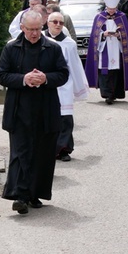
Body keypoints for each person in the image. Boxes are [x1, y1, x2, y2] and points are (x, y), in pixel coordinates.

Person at [0, 10, 69, 215]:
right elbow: (1, 75)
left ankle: (34, 194)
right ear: (22, 28)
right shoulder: (11, 48)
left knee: (42, 153)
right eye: (30, 30)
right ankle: (19, 196)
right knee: (21, 152)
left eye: (37, 29)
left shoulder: (52, 48)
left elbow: (63, 74)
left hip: (45, 109)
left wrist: (45, 78)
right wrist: (23, 79)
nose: (35, 34)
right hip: (19, 109)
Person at [84, 0, 128, 104]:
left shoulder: (122, 17)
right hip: (104, 48)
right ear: (106, 6)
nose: (111, 11)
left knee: (116, 71)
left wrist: (119, 35)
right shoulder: (99, 17)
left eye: (113, 9)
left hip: (117, 48)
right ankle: (107, 94)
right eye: (110, 9)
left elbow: (127, 35)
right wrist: (102, 34)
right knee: (105, 71)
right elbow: (95, 34)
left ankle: (115, 93)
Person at [45, 11, 88, 161]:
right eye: (54, 22)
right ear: (48, 23)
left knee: (65, 118)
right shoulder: (40, 39)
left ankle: (63, 149)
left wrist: (79, 87)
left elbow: (75, 66)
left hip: (64, 85)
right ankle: (47, 149)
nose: (58, 25)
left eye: (61, 23)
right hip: (45, 85)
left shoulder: (69, 44)